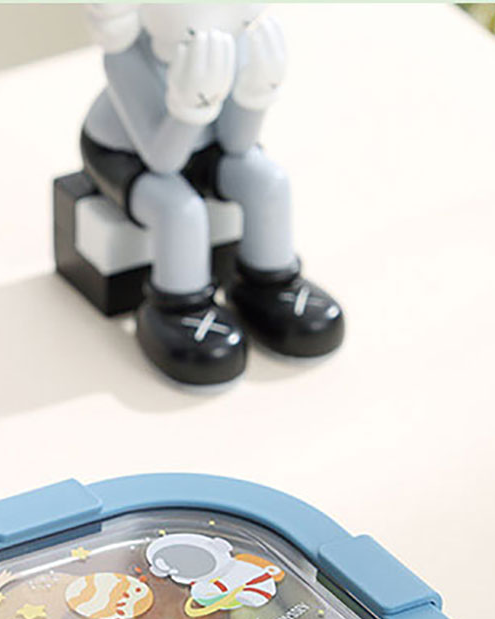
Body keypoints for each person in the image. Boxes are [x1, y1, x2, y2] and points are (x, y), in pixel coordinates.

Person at [82, 3, 344, 384]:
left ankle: (270, 284)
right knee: (180, 211)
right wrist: (190, 107)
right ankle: (179, 306)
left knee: (269, 182)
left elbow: (237, 143)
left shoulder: (236, 39)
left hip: (202, 143)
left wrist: (256, 94)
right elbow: (163, 160)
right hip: (125, 153)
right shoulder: (126, 57)